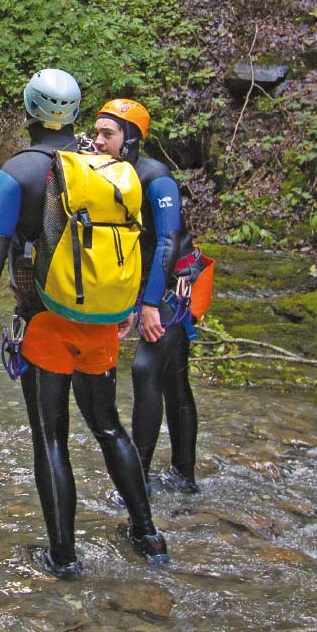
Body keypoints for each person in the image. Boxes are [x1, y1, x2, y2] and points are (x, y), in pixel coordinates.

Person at [0, 69, 168, 577]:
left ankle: (65, 557)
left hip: (45, 320)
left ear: (28, 110)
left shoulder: (19, 172)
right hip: (99, 316)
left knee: (51, 437)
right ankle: (148, 535)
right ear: (74, 115)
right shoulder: (100, 164)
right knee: (109, 425)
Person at [92, 99, 200, 495]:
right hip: (142, 283)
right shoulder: (108, 173)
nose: (98, 141)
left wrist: (150, 304)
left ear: (131, 138)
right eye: (97, 132)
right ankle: (184, 476)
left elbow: (169, 242)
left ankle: (136, 480)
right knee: (174, 377)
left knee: (145, 369)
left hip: (175, 282)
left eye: (108, 134)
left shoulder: (158, 179)